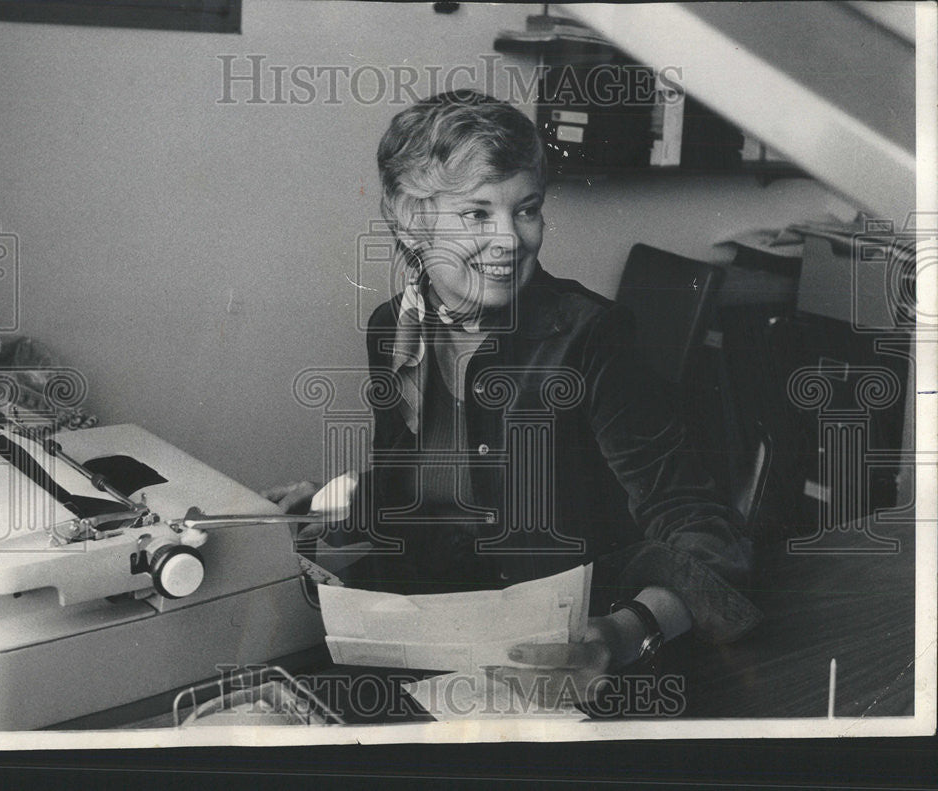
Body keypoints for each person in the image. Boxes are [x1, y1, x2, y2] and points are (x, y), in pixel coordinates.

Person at [267, 90, 761, 678]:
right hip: (429, 628)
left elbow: (701, 525)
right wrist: (335, 504)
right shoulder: (392, 329)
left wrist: (625, 634)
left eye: (526, 209)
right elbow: (429, 491)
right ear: (410, 220)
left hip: (563, 646)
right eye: (477, 213)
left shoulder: (591, 338)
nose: (509, 240)